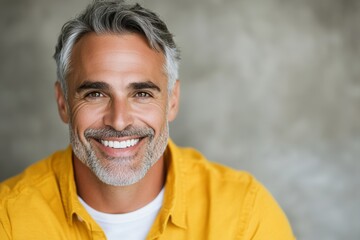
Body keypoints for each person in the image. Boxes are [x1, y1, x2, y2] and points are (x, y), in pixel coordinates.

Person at [0, 0, 295, 239]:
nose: (118, 121)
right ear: (63, 102)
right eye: (95, 94)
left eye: (141, 94)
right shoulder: (9, 219)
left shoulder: (246, 215)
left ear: (173, 101)